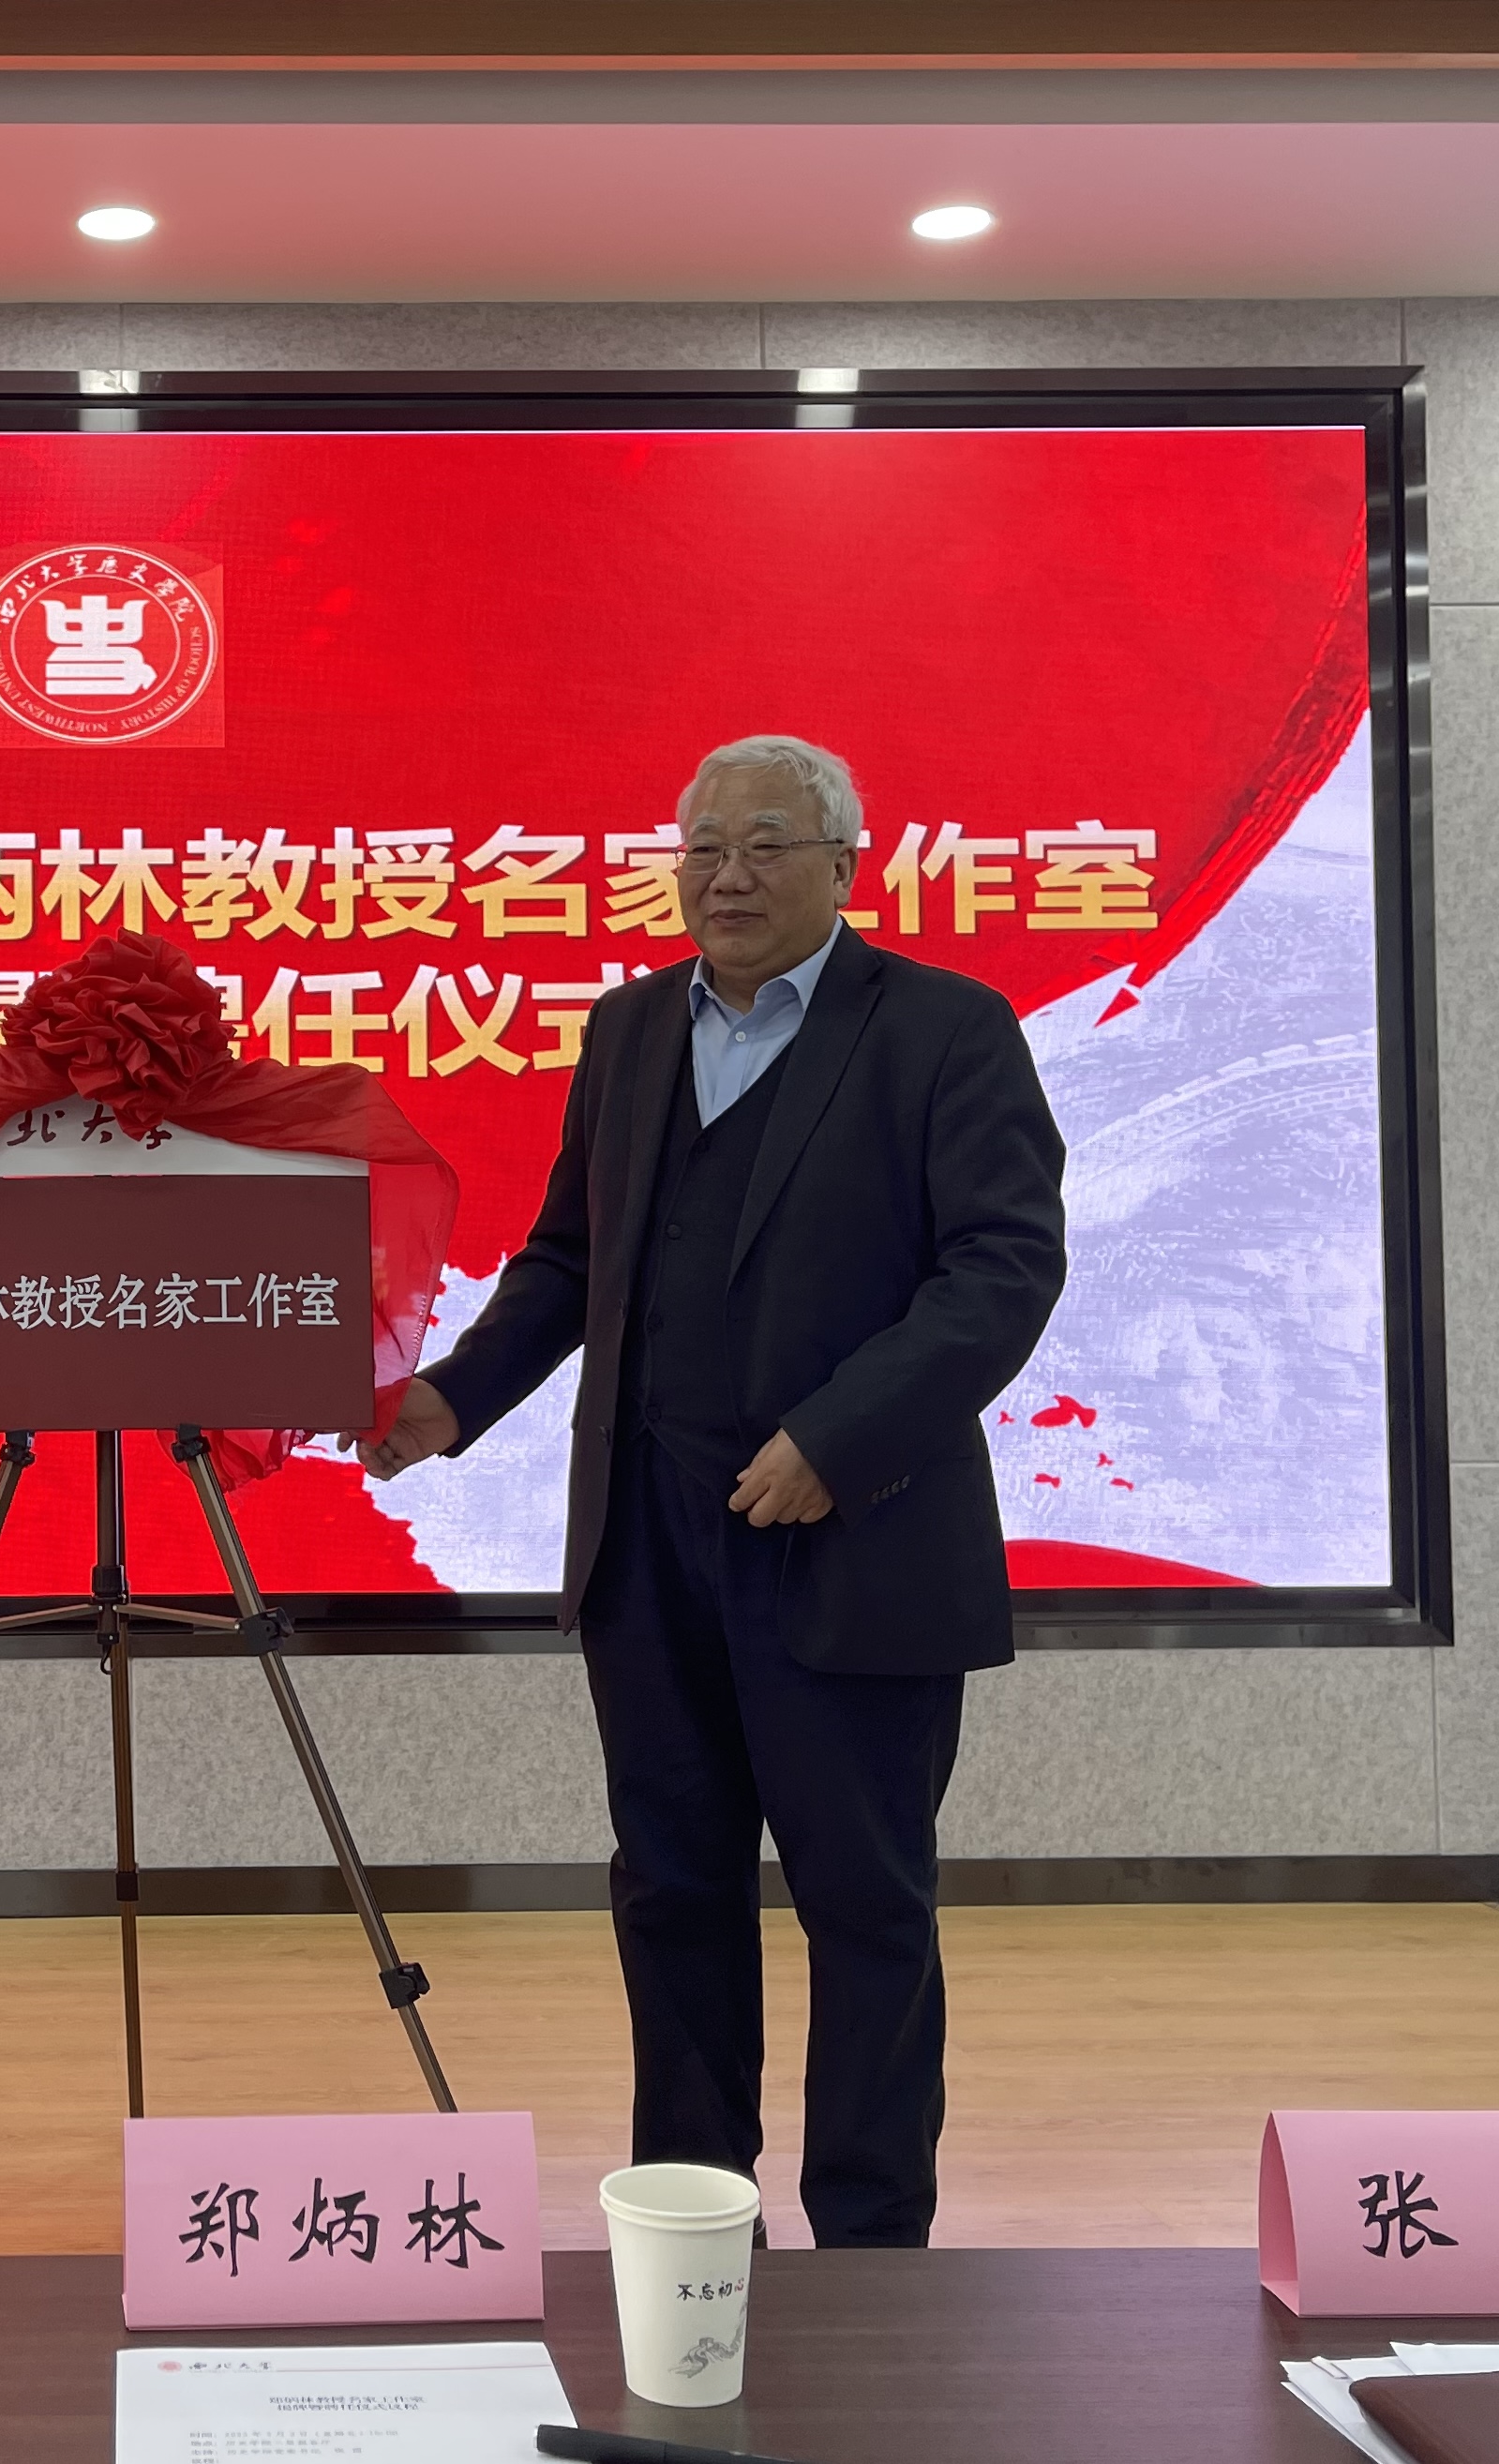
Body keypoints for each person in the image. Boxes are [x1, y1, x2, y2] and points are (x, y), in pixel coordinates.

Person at [352, 732, 1065, 2247]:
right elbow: (569, 1260)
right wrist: (452, 1399)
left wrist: (836, 1442)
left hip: (855, 1541)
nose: (726, 877)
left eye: (765, 845)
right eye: (702, 850)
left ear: (845, 866)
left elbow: (1001, 1271)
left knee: (866, 1905)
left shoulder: (944, 1030)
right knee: (672, 1894)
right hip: (650, 1547)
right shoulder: (626, 1032)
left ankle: (870, 2244)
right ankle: (690, 2222)